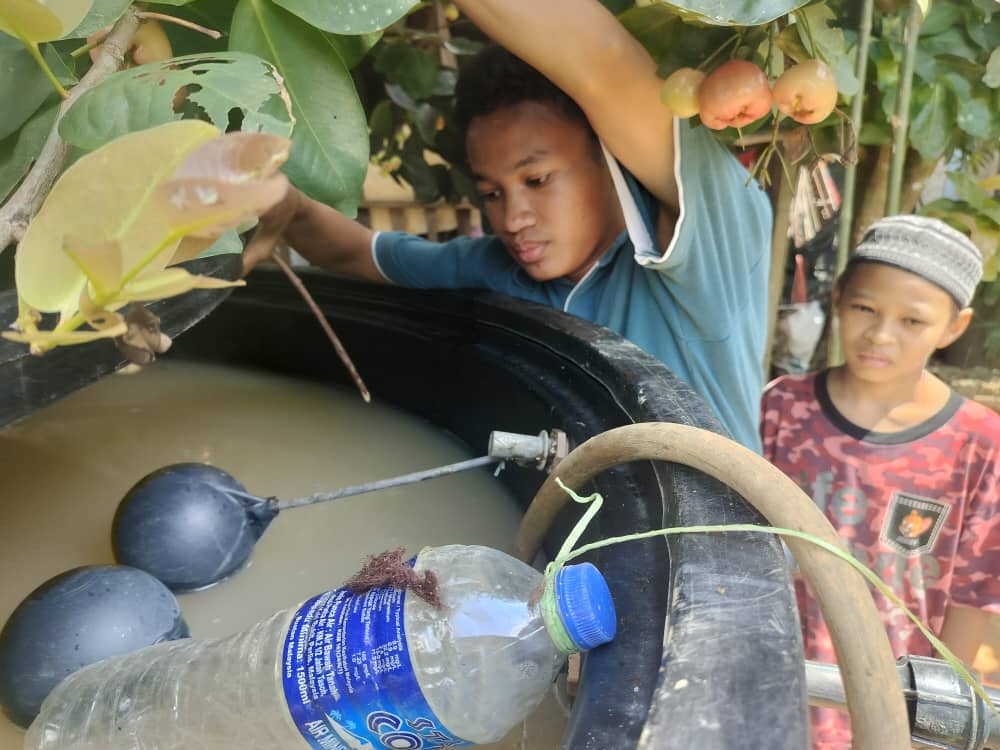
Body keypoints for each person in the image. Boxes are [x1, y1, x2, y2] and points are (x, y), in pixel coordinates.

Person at [245, 0, 772, 450]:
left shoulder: (706, 243)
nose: (513, 219)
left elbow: (604, 64)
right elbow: (353, 254)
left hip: (732, 557)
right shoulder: (498, 266)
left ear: (609, 155)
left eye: (538, 180)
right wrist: (285, 205)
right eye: (492, 192)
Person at [760, 215, 1000, 749]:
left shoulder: (980, 443)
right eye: (865, 308)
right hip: (777, 686)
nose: (881, 335)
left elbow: (973, 594)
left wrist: (934, 724)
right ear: (839, 297)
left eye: (912, 321)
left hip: (892, 708)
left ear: (955, 326)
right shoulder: (782, 406)